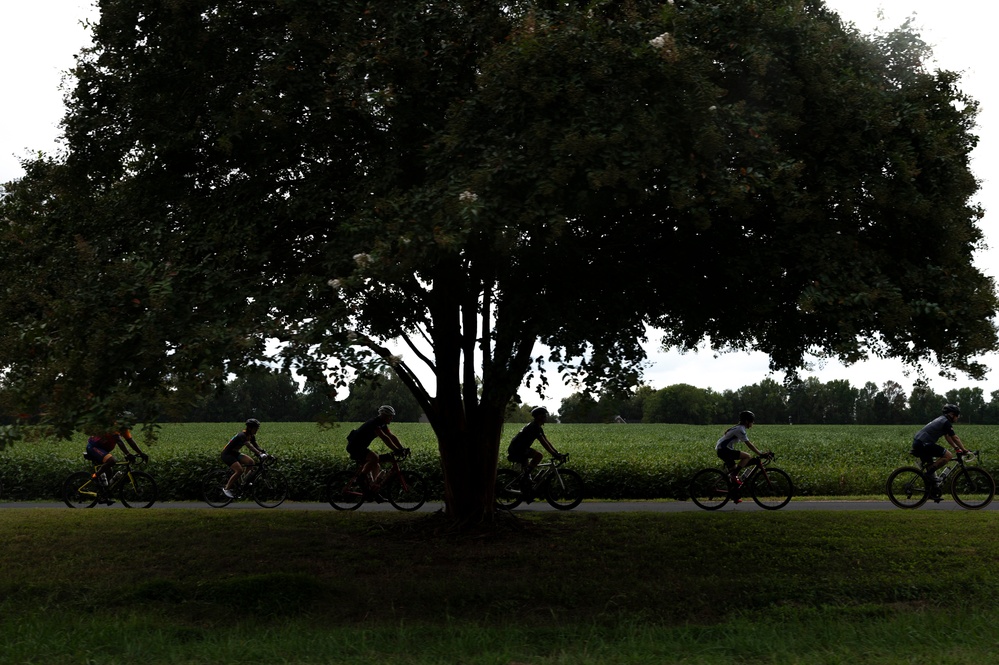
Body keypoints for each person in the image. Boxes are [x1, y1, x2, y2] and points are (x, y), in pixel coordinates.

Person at [346, 405, 409, 488]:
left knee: (376, 465)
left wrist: (401, 448)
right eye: (390, 416)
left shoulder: (382, 424)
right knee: (374, 458)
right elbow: (384, 437)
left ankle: (373, 488)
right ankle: (360, 479)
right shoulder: (374, 423)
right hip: (355, 447)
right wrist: (395, 449)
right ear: (384, 416)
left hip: (361, 447)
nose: (391, 418)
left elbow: (391, 436)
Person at [912, 404, 967, 489]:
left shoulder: (942, 420)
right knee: (948, 456)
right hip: (923, 443)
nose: (958, 417)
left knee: (931, 467)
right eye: (957, 415)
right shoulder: (946, 422)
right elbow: (954, 437)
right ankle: (927, 475)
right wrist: (964, 450)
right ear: (951, 414)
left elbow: (947, 436)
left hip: (920, 443)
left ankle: (931, 490)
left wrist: (956, 448)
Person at [85, 412, 148, 486]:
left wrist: (141, 453)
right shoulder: (114, 426)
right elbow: (119, 441)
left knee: (109, 471)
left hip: (102, 450)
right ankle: (94, 477)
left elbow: (130, 441)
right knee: (111, 461)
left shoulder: (124, 429)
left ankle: (104, 492)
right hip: (94, 447)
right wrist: (128, 454)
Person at [507, 406, 565, 477]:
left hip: (520, 449)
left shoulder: (537, 427)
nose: (545, 417)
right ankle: (525, 476)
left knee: (526, 471)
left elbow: (546, 441)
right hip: (518, 449)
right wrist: (554, 454)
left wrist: (556, 452)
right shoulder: (534, 427)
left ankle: (525, 480)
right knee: (538, 456)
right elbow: (544, 443)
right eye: (544, 415)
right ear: (539, 416)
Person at [715, 410, 768, 487]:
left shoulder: (739, 427)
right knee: (747, 456)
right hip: (724, 450)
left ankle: (735, 496)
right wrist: (760, 453)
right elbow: (749, 445)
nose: (753, 423)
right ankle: (733, 475)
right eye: (752, 421)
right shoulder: (740, 430)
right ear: (747, 421)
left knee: (735, 470)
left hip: (722, 450)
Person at [221, 418, 269, 498]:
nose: (257, 430)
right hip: (227, 454)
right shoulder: (242, 435)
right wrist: (259, 453)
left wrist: (265, 453)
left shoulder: (251, 436)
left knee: (251, 462)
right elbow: (249, 446)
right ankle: (227, 488)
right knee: (239, 470)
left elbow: (256, 446)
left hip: (235, 453)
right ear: (250, 428)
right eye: (255, 428)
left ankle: (244, 481)